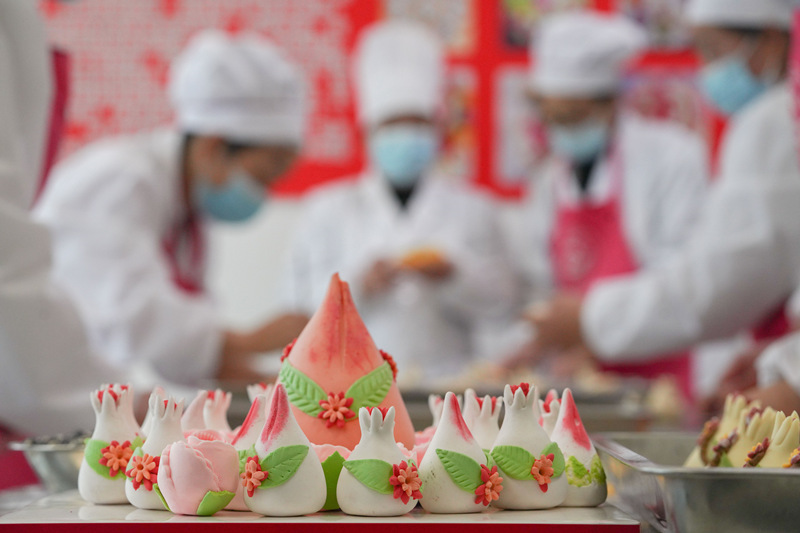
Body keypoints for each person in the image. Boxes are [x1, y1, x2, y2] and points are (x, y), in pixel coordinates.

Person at [525, 0, 800, 408]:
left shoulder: (769, 125)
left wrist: (591, 321)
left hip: (663, 373)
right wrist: (783, 359)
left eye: (713, 50)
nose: (707, 67)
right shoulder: (547, 179)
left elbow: (718, 284)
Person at [35, 30, 309, 386]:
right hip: (43, 388)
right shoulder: (121, 180)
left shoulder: (187, 213)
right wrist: (252, 341)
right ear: (213, 147)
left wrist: (288, 390)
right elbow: (131, 320)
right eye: (263, 175)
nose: (265, 193)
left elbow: (183, 357)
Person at [282, 20, 516, 383]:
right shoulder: (326, 210)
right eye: (393, 124)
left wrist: (455, 275)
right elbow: (296, 312)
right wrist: (357, 287)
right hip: (349, 391)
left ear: (439, 130)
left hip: (450, 387)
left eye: (418, 123)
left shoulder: (476, 210)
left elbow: (505, 306)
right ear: (367, 132)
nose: (407, 136)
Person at [504, 12, 709, 399]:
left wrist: (594, 332)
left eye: (573, 115)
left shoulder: (671, 157)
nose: (562, 128)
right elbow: (541, 285)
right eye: (552, 117)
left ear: (610, 103)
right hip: (580, 388)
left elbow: (684, 285)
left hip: (657, 382)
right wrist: (537, 341)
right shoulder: (548, 179)